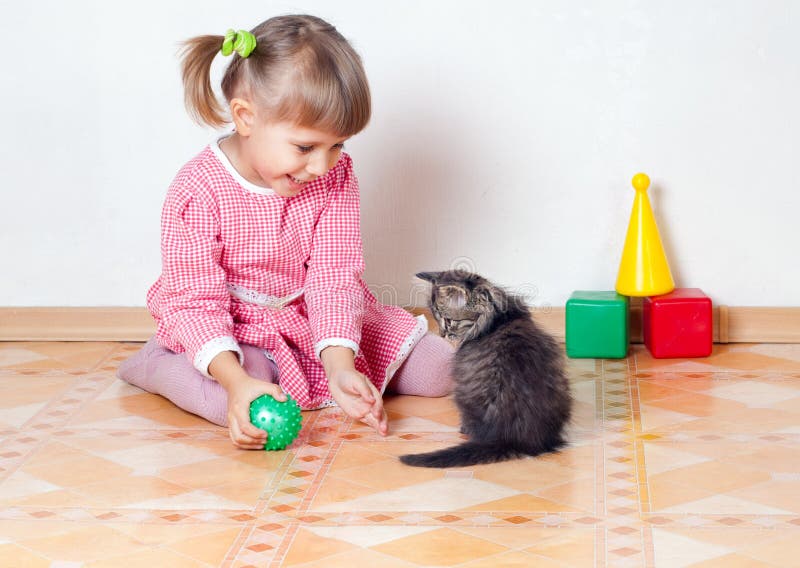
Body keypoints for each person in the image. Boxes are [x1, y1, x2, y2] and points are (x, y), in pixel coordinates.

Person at [117, 15, 454, 449]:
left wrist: (340, 366)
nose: (321, 165)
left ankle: (314, 368)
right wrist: (236, 381)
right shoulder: (196, 190)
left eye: (338, 145)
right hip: (229, 328)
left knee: (439, 368)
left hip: (308, 314)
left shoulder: (334, 177)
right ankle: (159, 363)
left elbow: (334, 275)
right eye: (305, 147)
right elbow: (194, 300)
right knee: (237, 403)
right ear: (245, 117)